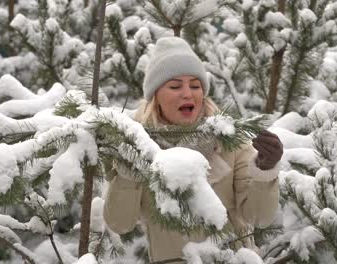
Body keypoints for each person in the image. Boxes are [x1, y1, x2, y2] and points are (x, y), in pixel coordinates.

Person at [103, 36, 283, 263]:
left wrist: (264, 170)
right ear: (155, 96)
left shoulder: (228, 141)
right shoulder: (137, 147)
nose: (188, 93)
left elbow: (259, 217)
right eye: (175, 86)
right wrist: (128, 172)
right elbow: (120, 223)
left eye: (195, 85)